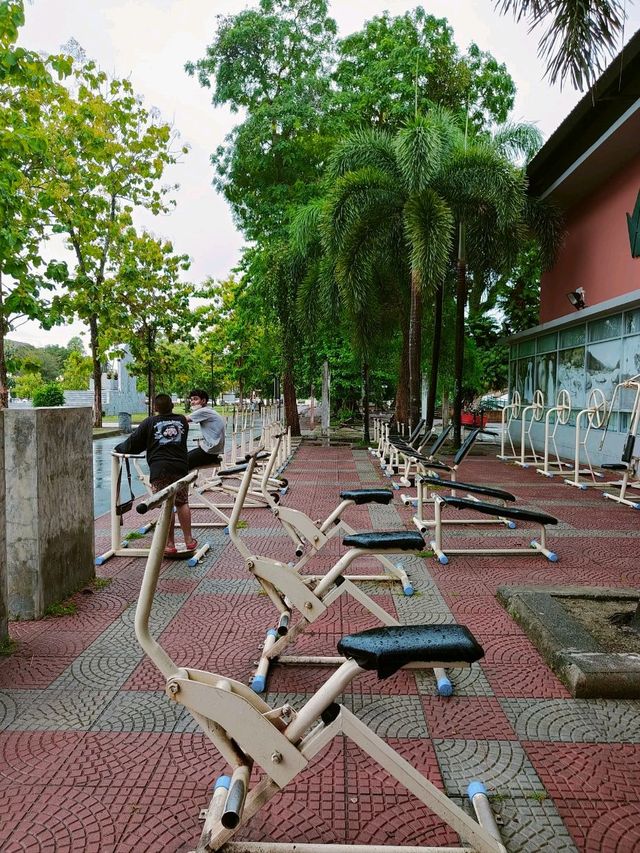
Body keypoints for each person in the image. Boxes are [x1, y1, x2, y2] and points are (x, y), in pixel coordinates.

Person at [114, 393, 197, 556]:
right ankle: (189, 541)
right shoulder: (181, 421)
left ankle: (170, 543)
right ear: (172, 406)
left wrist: (119, 449)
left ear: (155, 408)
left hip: (160, 469)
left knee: (167, 505)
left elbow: (133, 443)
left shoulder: (149, 422)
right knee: (182, 502)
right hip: (180, 467)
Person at [186, 388, 226, 471]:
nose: (192, 402)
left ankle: (181, 482)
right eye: (191, 400)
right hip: (214, 450)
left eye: (196, 399)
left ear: (203, 401)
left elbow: (183, 420)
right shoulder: (209, 410)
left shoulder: (203, 411)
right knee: (184, 459)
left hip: (209, 451)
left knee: (181, 463)